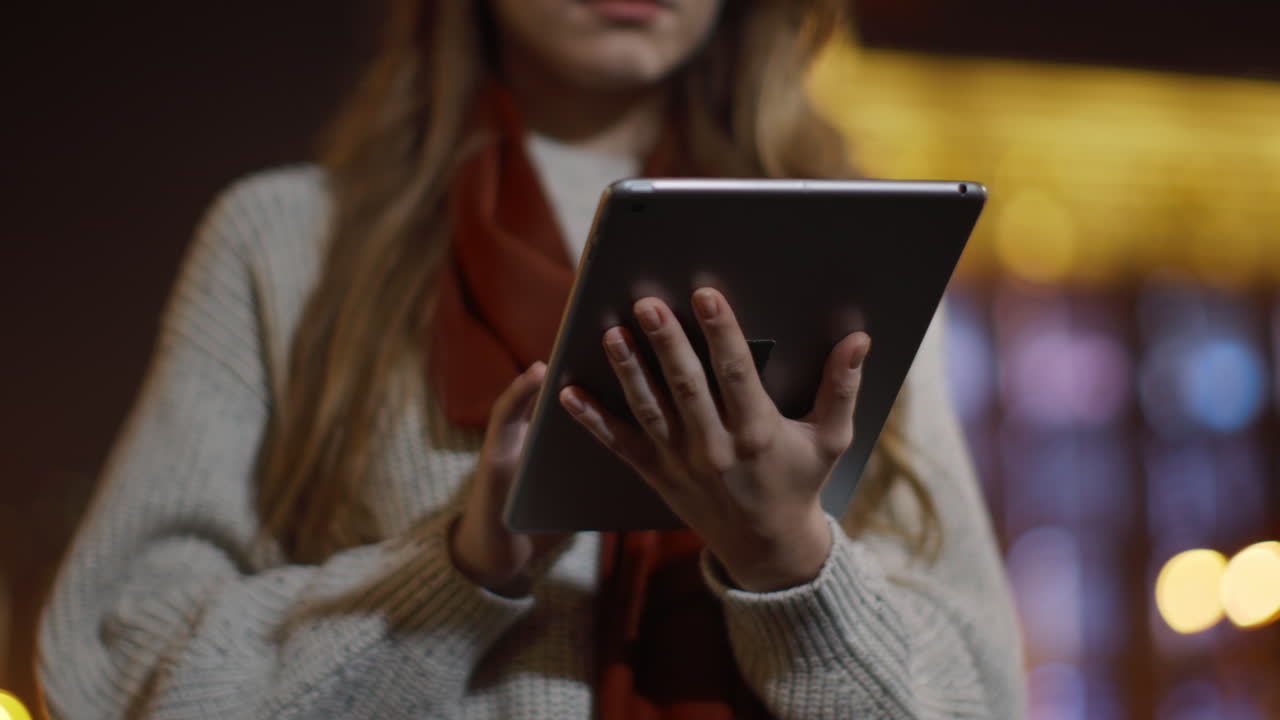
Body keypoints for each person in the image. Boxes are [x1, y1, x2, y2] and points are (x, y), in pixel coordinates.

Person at [37, 0, 1025, 717]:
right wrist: (460, 565)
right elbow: (110, 671)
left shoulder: (850, 254)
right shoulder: (288, 242)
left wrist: (787, 565)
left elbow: (976, 698)